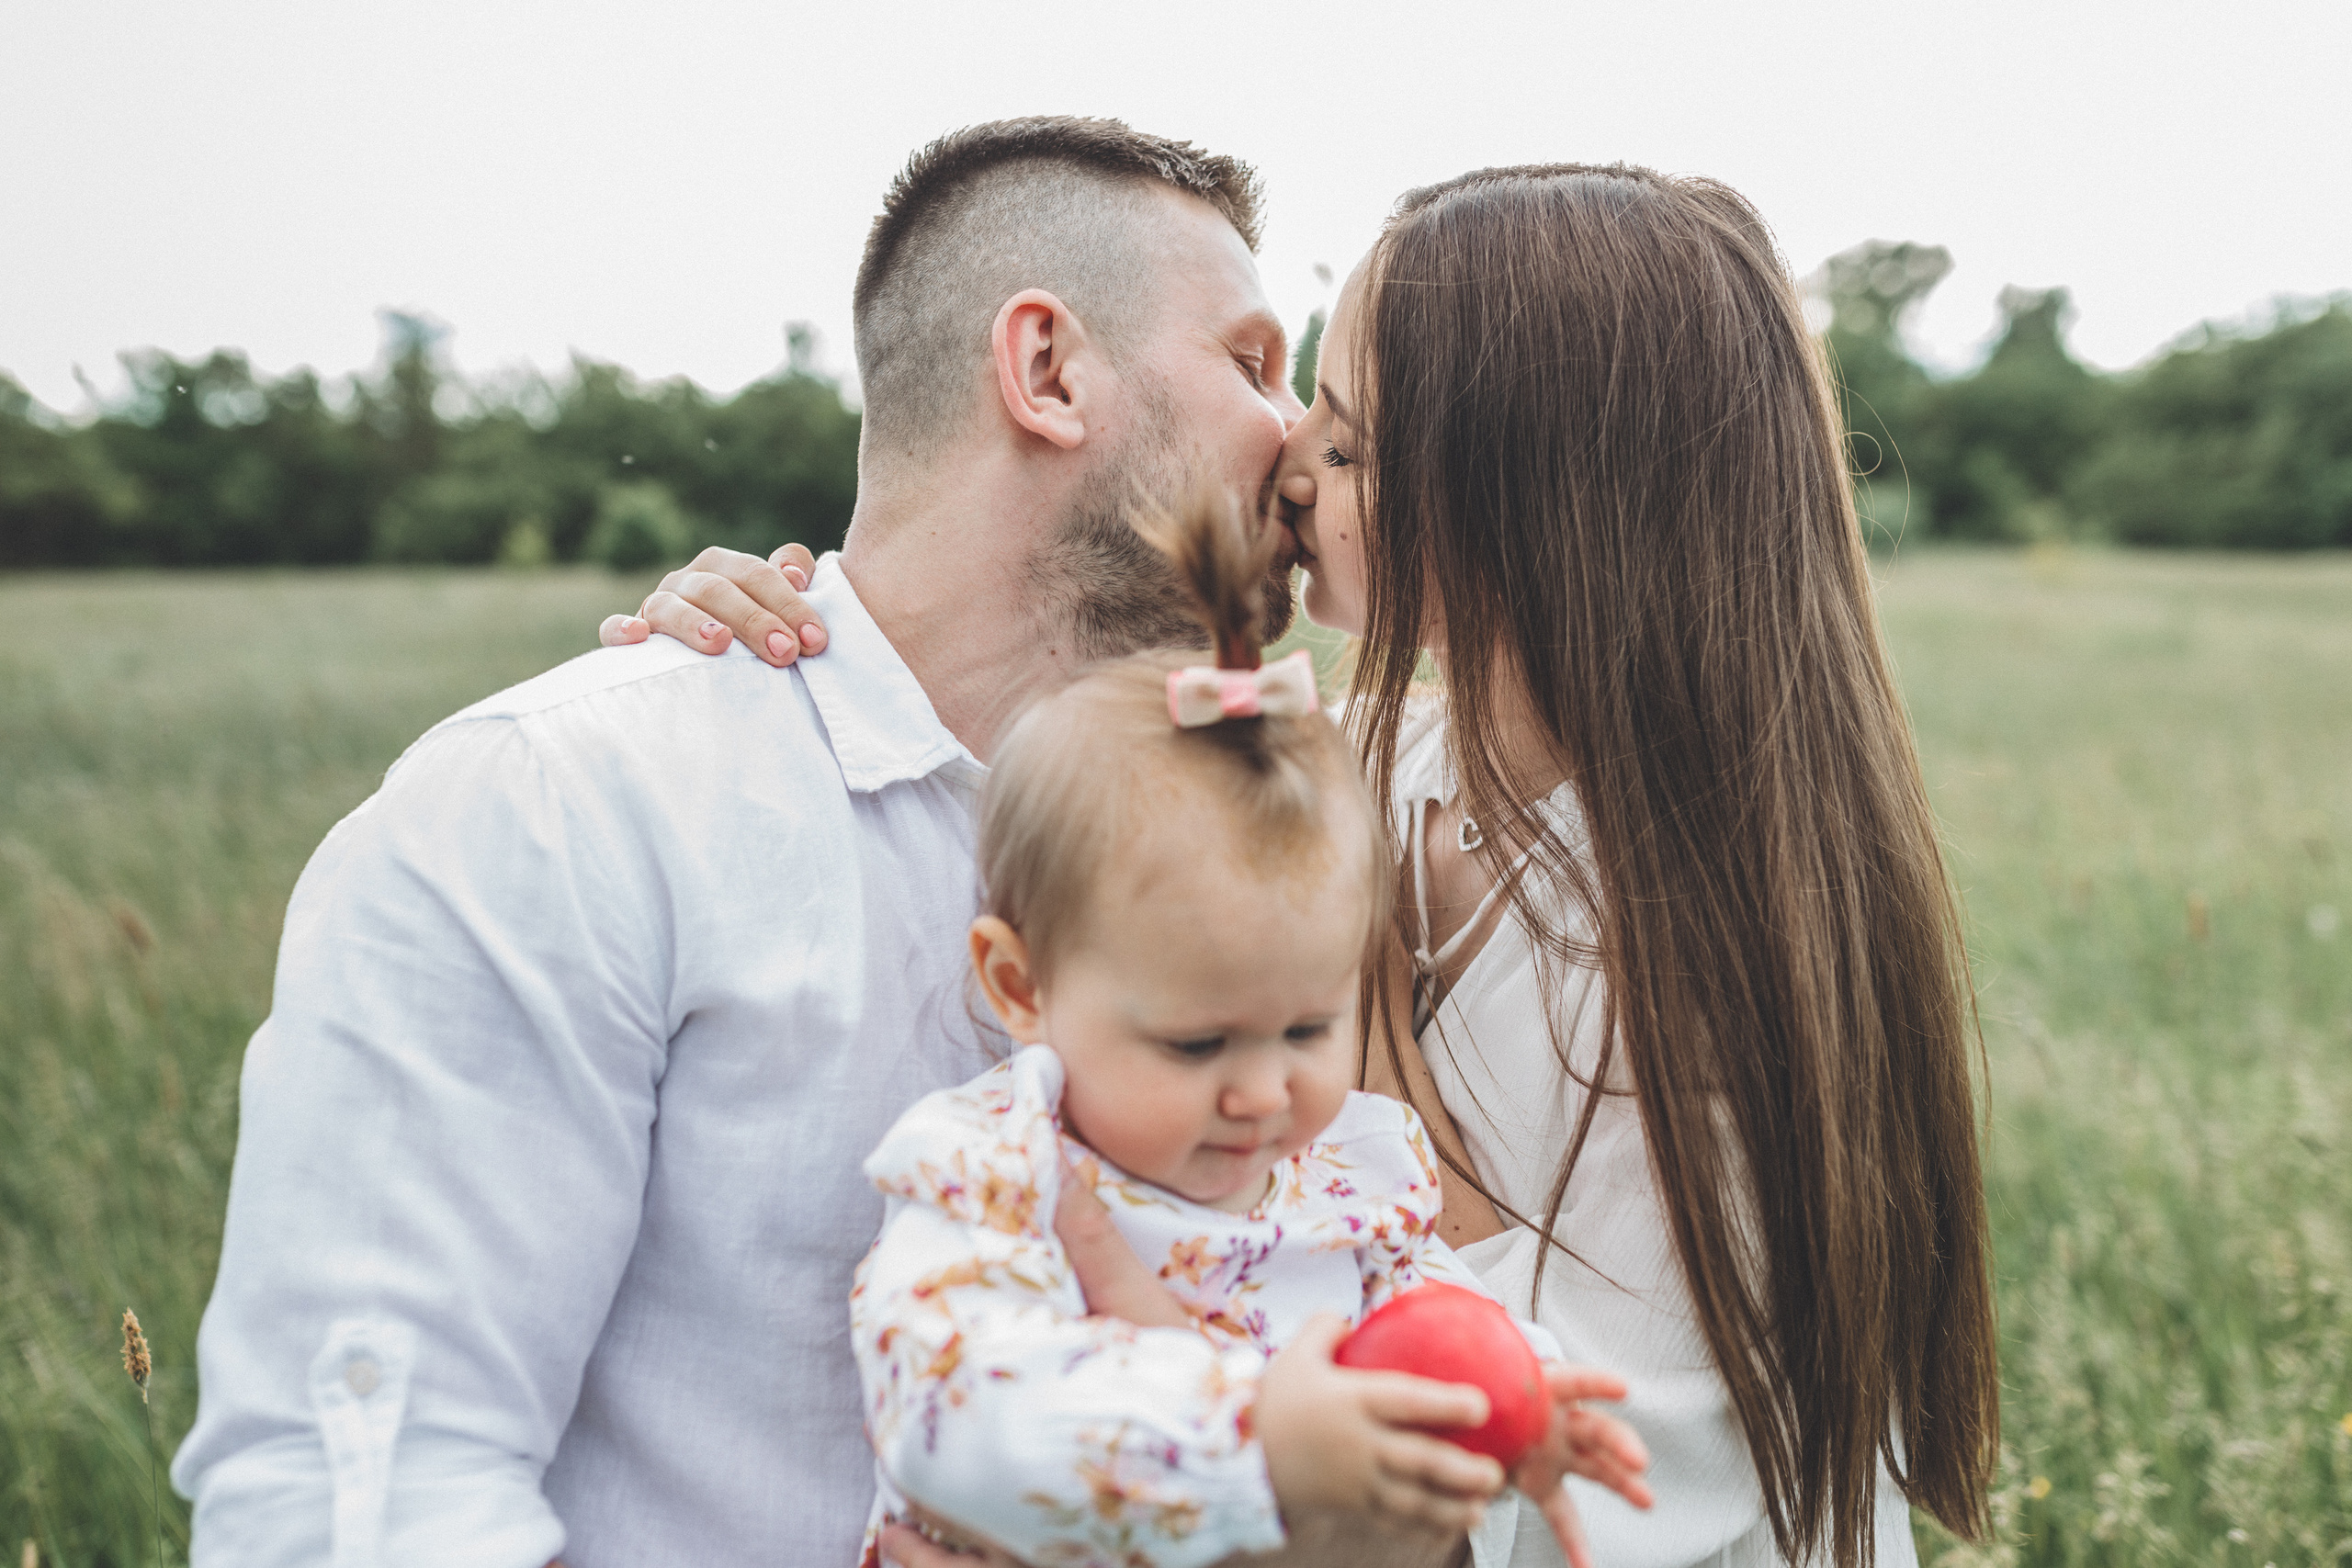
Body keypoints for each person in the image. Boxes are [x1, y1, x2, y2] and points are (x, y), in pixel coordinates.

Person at [621, 163, 2002, 1567]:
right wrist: (811, 624)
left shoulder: (1709, 957)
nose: (1290, 461)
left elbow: (1528, 1489)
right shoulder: (1354, 763)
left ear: (1525, 501)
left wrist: (1155, 1460)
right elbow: (1078, 776)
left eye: (1349, 444)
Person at [172, 117, 1484, 1568]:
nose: (1297, 439)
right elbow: (364, 1500)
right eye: (1250, 363)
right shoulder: (558, 808)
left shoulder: (1296, 812)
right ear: (1048, 370)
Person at [846, 497, 1651, 1568]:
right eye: (1196, 1044)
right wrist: (1257, 1442)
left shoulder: (1347, 1171)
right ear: (1019, 982)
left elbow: (1424, 1318)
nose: (1264, 1094)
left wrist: (1507, 1398)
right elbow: (955, 1425)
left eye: (1310, 1027)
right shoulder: (995, 1178)